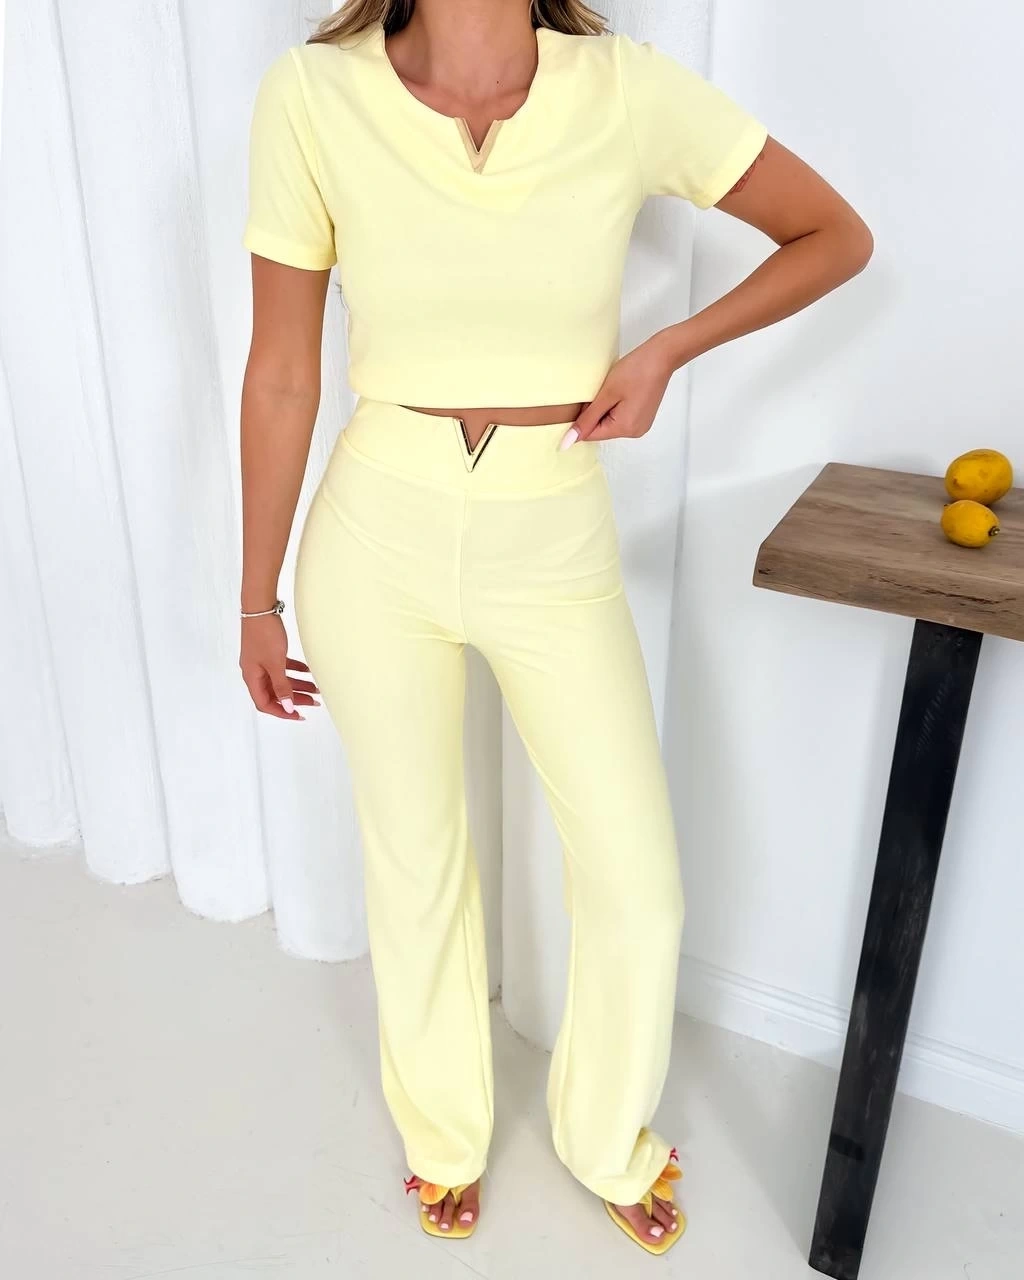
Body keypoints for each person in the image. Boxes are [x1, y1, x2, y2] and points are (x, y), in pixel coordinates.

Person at [238, 0, 872, 1256]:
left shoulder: (623, 89)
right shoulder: (312, 96)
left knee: (636, 874)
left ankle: (603, 1132)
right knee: (415, 857)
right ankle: (442, 1135)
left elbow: (832, 235)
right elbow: (282, 370)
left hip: (553, 526)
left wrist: (668, 349)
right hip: (375, 526)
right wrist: (256, 594)